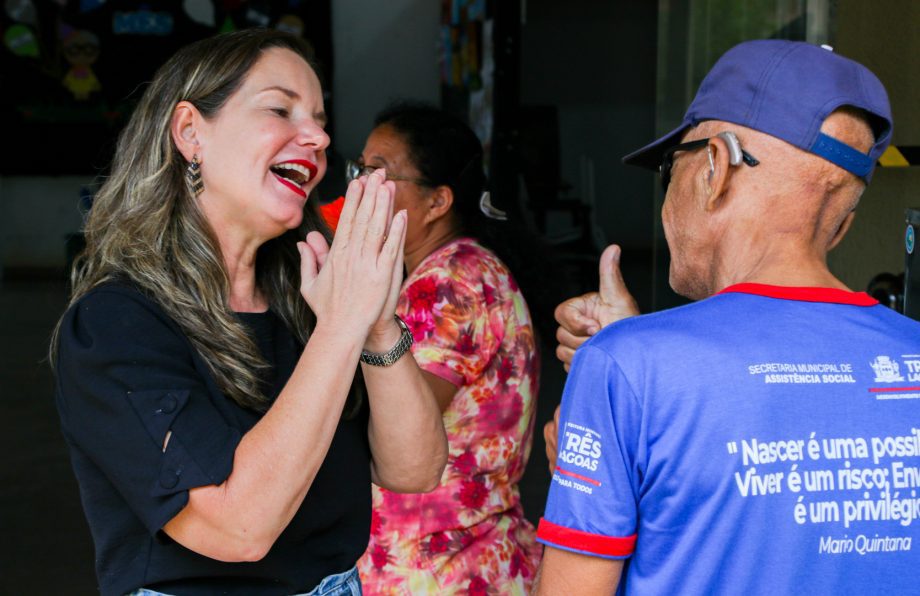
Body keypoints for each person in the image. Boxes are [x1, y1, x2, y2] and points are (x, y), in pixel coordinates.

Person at [50, 29, 448, 596]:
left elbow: (417, 470)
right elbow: (239, 527)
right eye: (280, 109)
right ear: (191, 132)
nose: (318, 136)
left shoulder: (305, 297)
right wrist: (341, 325)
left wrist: (377, 321)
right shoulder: (117, 323)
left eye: (318, 117)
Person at [533, 39, 920, 594]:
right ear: (842, 224)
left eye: (671, 167)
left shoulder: (627, 369)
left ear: (714, 168)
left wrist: (616, 380)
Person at [350, 103, 543, 594]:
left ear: (437, 203)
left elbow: (398, 424)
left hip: (434, 566)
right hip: (474, 554)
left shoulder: (446, 284)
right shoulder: (468, 268)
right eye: (361, 168)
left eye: (379, 173)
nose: (360, 186)